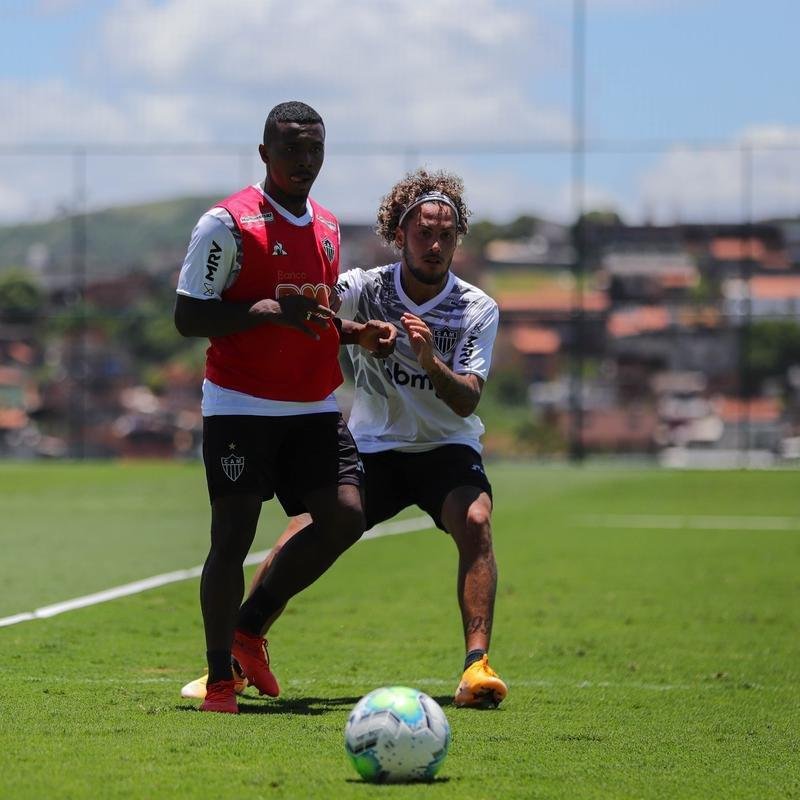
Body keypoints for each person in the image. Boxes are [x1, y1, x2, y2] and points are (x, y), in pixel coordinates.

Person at [182, 167, 508, 709]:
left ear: (458, 239)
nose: (434, 244)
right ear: (399, 234)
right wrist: (328, 327)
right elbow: (316, 312)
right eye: (423, 232)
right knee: (308, 525)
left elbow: (467, 399)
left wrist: (429, 361)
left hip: (445, 448)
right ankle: (240, 648)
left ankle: (477, 668)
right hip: (375, 444)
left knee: (475, 520)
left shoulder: (476, 307)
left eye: (445, 235)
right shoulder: (365, 287)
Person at [174, 100, 395, 714]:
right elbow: (188, 315)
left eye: (314, 150)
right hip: (241, 405)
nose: (304, 161)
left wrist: (356, 334)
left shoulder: (326, 224)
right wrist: (267, 309)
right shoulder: (227, 224)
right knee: (231, 539)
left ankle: (250, 629)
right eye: (292, 148)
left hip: (313, 409)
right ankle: (221, 679)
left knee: (347, 515)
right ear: (265, 152)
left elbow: (313, 319)